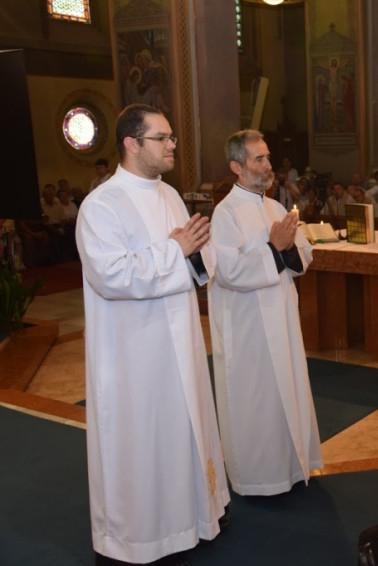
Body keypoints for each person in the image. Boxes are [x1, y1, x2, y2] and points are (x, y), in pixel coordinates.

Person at [75, 103, 229, 565]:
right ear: (131, 143)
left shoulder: (170, 196)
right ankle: (140, 539)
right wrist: (175, 250)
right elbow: (112, 276)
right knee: (142, 441)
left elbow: (199, 256)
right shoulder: (102, 205)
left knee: (182, 430)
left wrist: (195, 253)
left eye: (171, 137)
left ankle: (190, 519)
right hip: (134, 352)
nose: (172, 145)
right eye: (162, 138)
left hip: (180, 341)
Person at [209, 129, 323, 496]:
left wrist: (287, 249)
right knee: (258, 398)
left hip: (282, 319)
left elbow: (303, 255)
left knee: (287, 390)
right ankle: (259, 477)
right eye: (259, 159)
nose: (268, 165)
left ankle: (291, 467)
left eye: (268, 157)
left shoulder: (275, 208)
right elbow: (228, 272)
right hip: (249, 328)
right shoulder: (225, 213)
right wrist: (274, 249)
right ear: (237, 167)